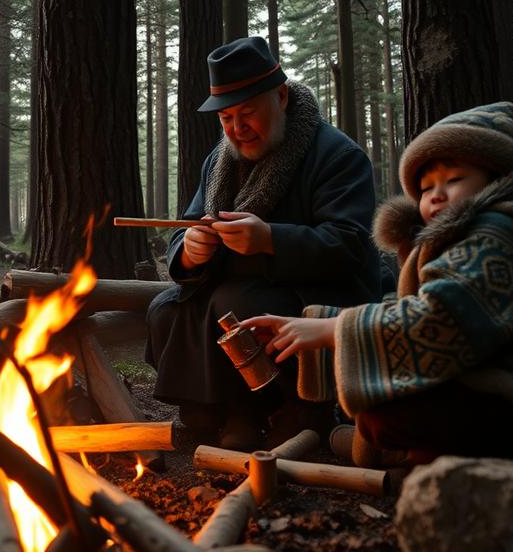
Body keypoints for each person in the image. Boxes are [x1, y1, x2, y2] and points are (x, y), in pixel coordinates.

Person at [241, 102, 513, 462]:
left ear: (499, 178)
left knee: (386, 413)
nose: (435, 195)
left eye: (453, 180)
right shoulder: (465, 238)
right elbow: (415, 309)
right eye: (425, 187)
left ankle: (422, 460)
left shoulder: (502, 234)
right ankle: (406, 454)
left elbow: (442, 321)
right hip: (487, 383)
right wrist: (317, 321)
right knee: (386, 408)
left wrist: (334, 329)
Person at [145, 36, 381, 449]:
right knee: (166, 309)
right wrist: (190, 249)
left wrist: (270, 239)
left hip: (318, 294)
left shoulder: (337, 155)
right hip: (237, 287)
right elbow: (184, 228)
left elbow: (348, 247)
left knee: (237, 304)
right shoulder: (219, 163)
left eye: (248, 113)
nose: (237, 129)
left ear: (281, 97)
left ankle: (297, 409)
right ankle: (214, 411)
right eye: (227, 118)